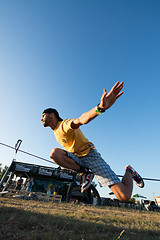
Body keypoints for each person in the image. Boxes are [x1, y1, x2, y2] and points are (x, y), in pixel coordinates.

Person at [41, 81, 144, 202]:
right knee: (55, 155)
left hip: (90, 155)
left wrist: (100, 108)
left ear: (52, 115)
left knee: (124, 196)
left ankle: (129, 171)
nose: (41, 118)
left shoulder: (63, 125)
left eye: (43, 115)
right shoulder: (55, 131)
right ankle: (86, 173)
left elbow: (80, 120)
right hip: (78, 158)